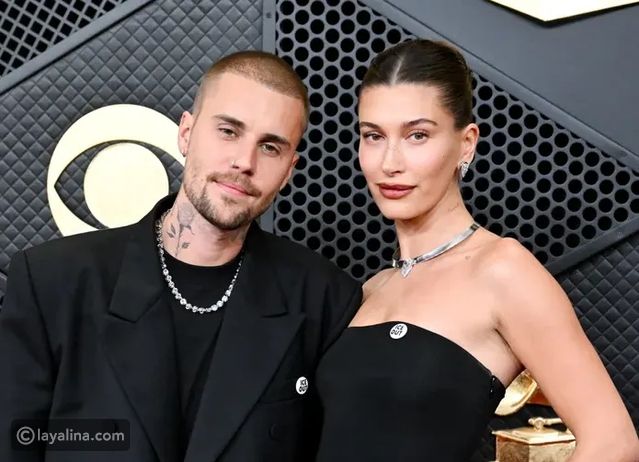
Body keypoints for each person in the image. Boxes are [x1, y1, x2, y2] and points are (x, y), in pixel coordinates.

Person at [0, 50, 361, 462]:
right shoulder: (53, 281)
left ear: (289, 169)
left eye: (270, 147)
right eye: (228, 131)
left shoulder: (325, 299)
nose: (244, 162)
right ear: (186, 133)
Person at [315, 39, 639, 462]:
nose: (389, 162)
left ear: (466, 143)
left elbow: (614, 443)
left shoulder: (503, 270)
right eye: (373, 136)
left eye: (417, 135)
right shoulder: (373, 288)